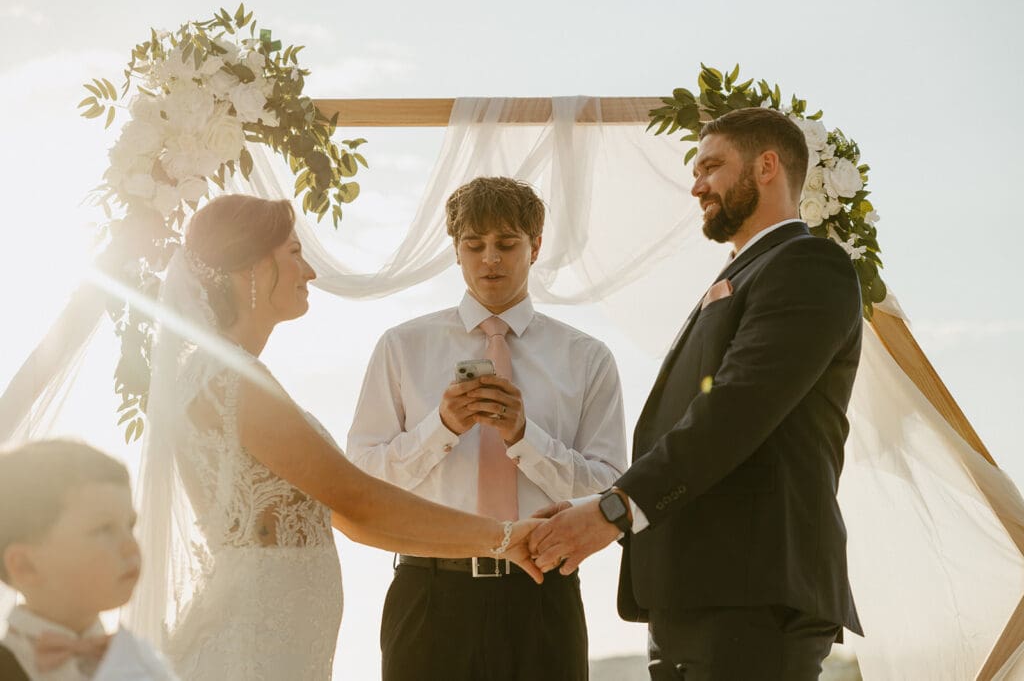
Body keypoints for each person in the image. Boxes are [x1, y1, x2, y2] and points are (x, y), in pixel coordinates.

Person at [126, 194, 542, 681]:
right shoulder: (228, 379)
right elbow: (358, 497)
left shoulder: (229, 372)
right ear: (251, 269)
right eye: (295, 254)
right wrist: (502, 536)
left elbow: (348, 518)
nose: (310, 273)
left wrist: (498, 543)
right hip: (250, 646)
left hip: (285, 643)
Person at [529, 107, 864, 680]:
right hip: (700, 594)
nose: (696, 184)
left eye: (711, 166)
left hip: (752, 600)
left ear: (766, 166)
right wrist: (605, 504)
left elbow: (733, 413)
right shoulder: (747, 272)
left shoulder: (808, 266)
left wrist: (613, 510)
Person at [347, 176, 627, 681]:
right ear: (456, 251)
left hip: (545, 594)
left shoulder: (587, 358)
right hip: (428, 594)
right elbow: (364, 477)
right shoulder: (401, 347)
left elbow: (607, 489)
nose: (489, 259)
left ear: (536, 246)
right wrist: (443, 427)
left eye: (506, 244)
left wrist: (525, 437)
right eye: (474, 245)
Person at [0, 439, 176, 680]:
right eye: (104, 529)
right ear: (25, 566)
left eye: (130, 525)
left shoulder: (142, 663)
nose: (130, 546)